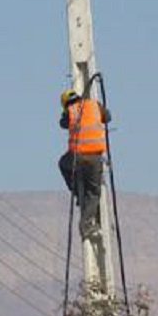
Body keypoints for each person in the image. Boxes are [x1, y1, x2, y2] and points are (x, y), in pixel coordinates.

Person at [58, 88, 111, 238]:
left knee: (63, 164)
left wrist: (65, 113)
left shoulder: (71, 110)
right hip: (94, 158)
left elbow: (62, 123)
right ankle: (88, 225)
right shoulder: (95, 105)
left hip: (77, 157)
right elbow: (107, 117)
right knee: (93, 192)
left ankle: (76, 192)